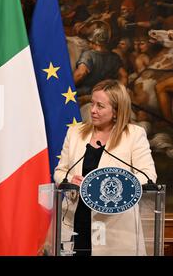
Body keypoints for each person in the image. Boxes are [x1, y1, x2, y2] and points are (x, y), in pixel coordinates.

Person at [54, 79, 157, 256]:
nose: (92, 110)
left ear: (116, 111)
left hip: (115, 227)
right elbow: (60, 171)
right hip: (75, 221)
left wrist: (106, 182)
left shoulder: (134, 135)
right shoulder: (75, 133)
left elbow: (148, 177)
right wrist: (70, 180)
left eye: (100, 106)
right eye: (92, 103)